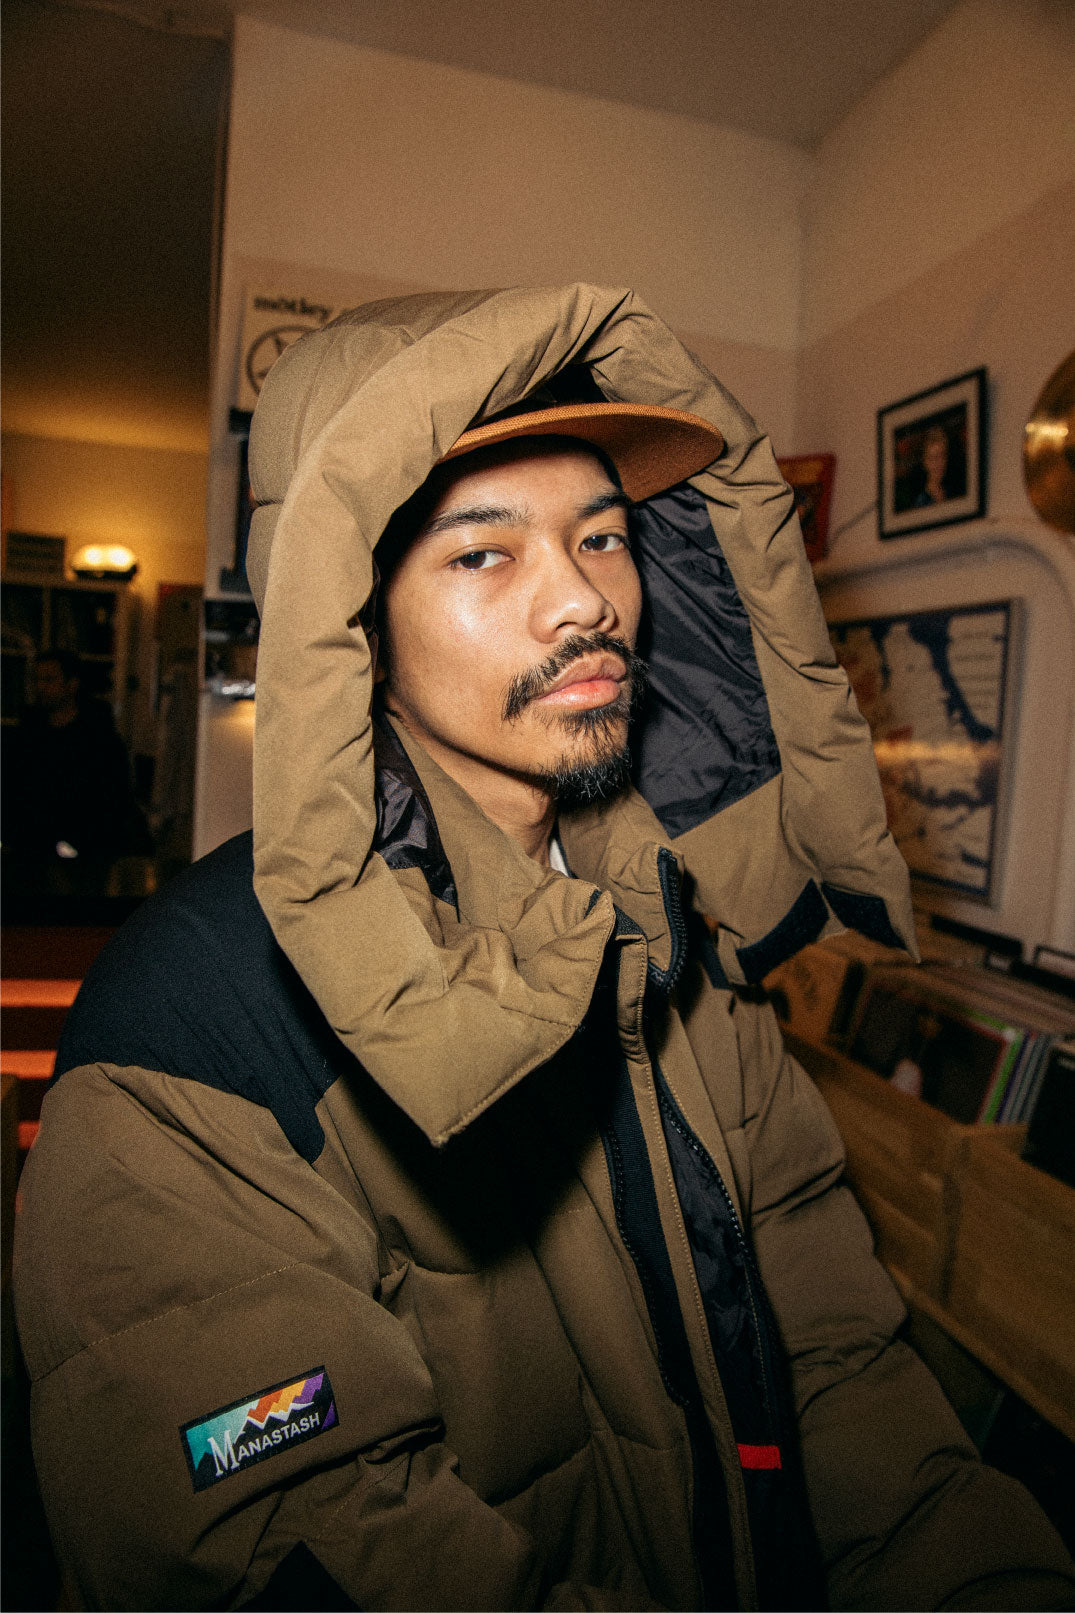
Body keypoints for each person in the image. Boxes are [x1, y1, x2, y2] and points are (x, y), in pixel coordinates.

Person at [14, 286, 1073, 1612]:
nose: (584, 599)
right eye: (482, 553)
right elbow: (280, 1542)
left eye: (603, 536)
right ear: (348, 617)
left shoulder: (679, 930)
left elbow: (834, 1357)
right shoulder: (195, 1029)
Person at [1, 648, 148, 898]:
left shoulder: (99, 740)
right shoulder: (26, 736)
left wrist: (83, 844)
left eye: (49, 679)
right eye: (37, 679)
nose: (41, 687)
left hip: (84, 859)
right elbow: (12, 787)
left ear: (72, 684)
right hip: (29, 853)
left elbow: (113, 798)